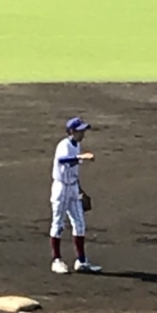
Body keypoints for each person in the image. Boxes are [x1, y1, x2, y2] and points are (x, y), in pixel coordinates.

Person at [49, 117, 101, 274]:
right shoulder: (63, 145)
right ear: (71, 131)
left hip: (72, 187)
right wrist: (80, 157)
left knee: (79, 223)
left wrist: (80, 191)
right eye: (80, 131)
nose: (83, 134)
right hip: (61, 188)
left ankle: (82, 261)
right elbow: (62, 160)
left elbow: (74, 171)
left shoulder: (76, 145)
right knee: (58, 223)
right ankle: (56, 260)